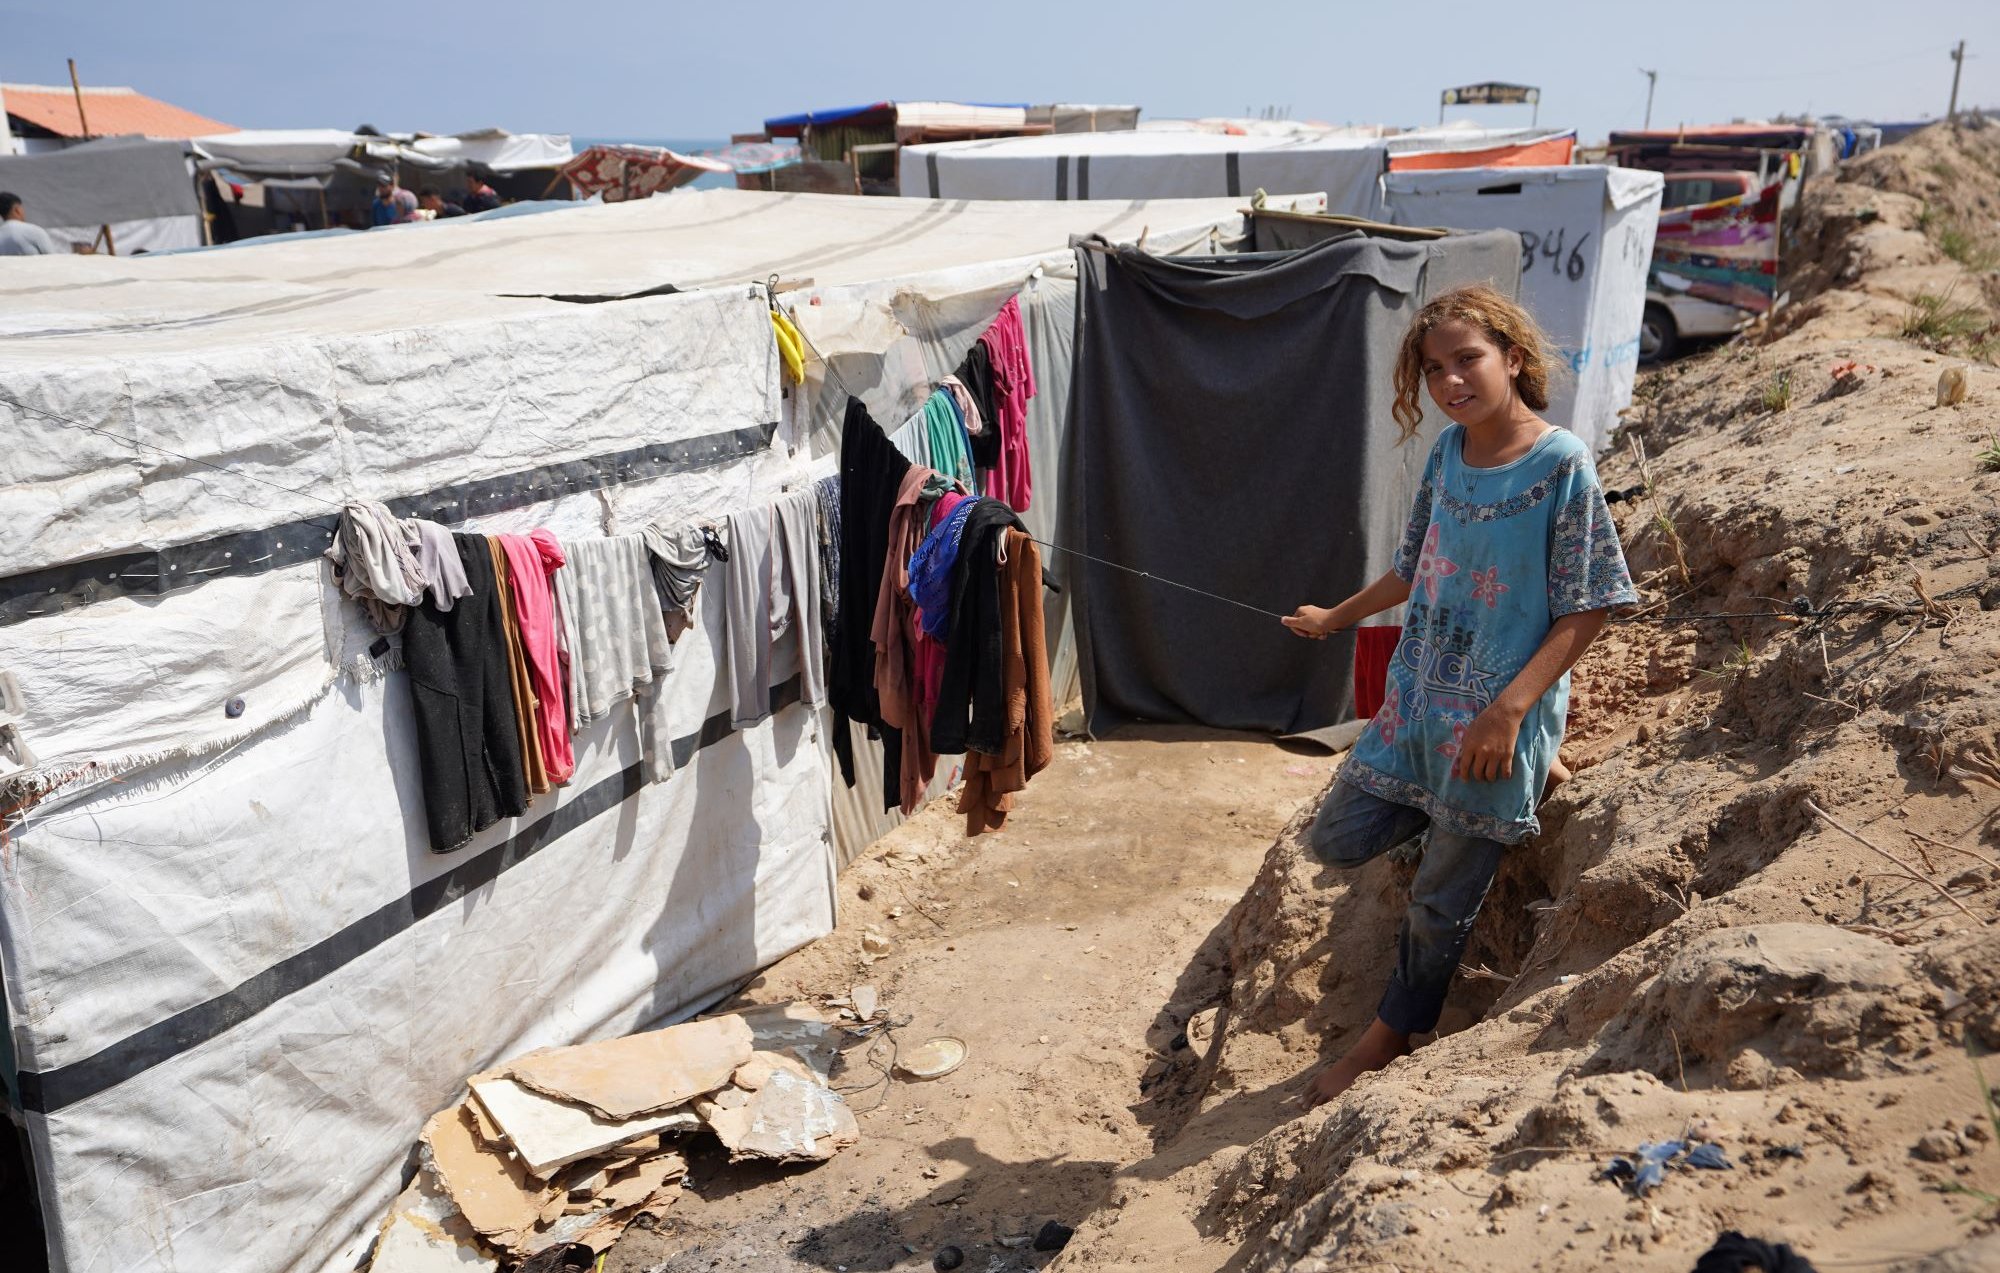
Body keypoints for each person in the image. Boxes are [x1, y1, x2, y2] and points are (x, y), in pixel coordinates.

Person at [1282, 285, 1637, 1110]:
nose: (1451, 381)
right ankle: (1480, 813)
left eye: (1467, 359)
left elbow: (1591, 603)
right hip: (1416, 705)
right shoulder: (1446, 454)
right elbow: (1412, 565)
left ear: (1514, 356)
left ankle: (1386, 1035)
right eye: (1434, 368)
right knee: (1335, 840)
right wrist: (1336, 616)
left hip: (1495, 713)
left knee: (1440, 904)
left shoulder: (1562, 464)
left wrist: (1511, 712)